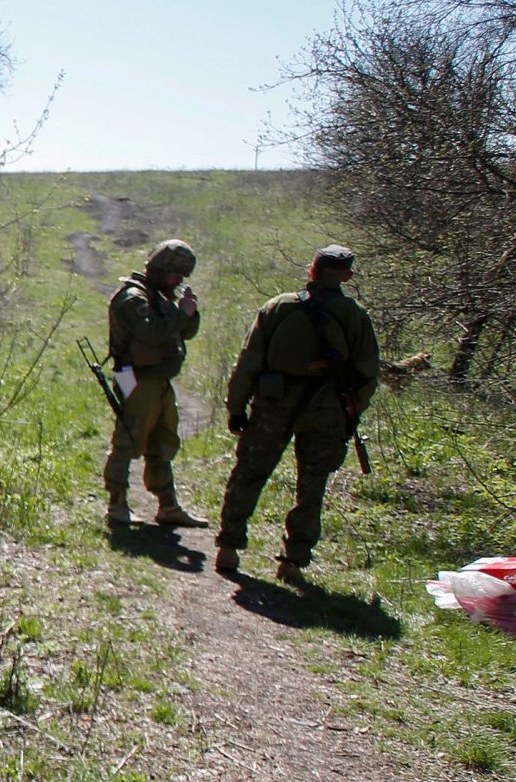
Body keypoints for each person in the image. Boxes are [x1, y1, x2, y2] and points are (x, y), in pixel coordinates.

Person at [214, 244, 382, 585]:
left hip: (273, 406)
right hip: (326, 411)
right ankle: (292, 562)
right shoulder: (355, 316)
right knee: (311, 487)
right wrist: (350, 413)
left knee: (249, 474)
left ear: (312, 270)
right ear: (346, 276)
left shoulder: (277, 307)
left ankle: (229, 548)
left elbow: (248, 363)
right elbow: (367, 375)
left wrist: (236, 407)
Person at [102, 239, 204, 526]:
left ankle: (167, 505)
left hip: (158, 380)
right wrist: (181, 314)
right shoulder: (133, 298)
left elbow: (187, 332)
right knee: (128, 439)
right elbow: (152, 334)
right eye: (174, 275)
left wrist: (189, 312)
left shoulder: (159, 296)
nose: (178, 281)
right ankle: (117, 504)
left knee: (163, 440)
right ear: (158, 269)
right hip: (135, 377)